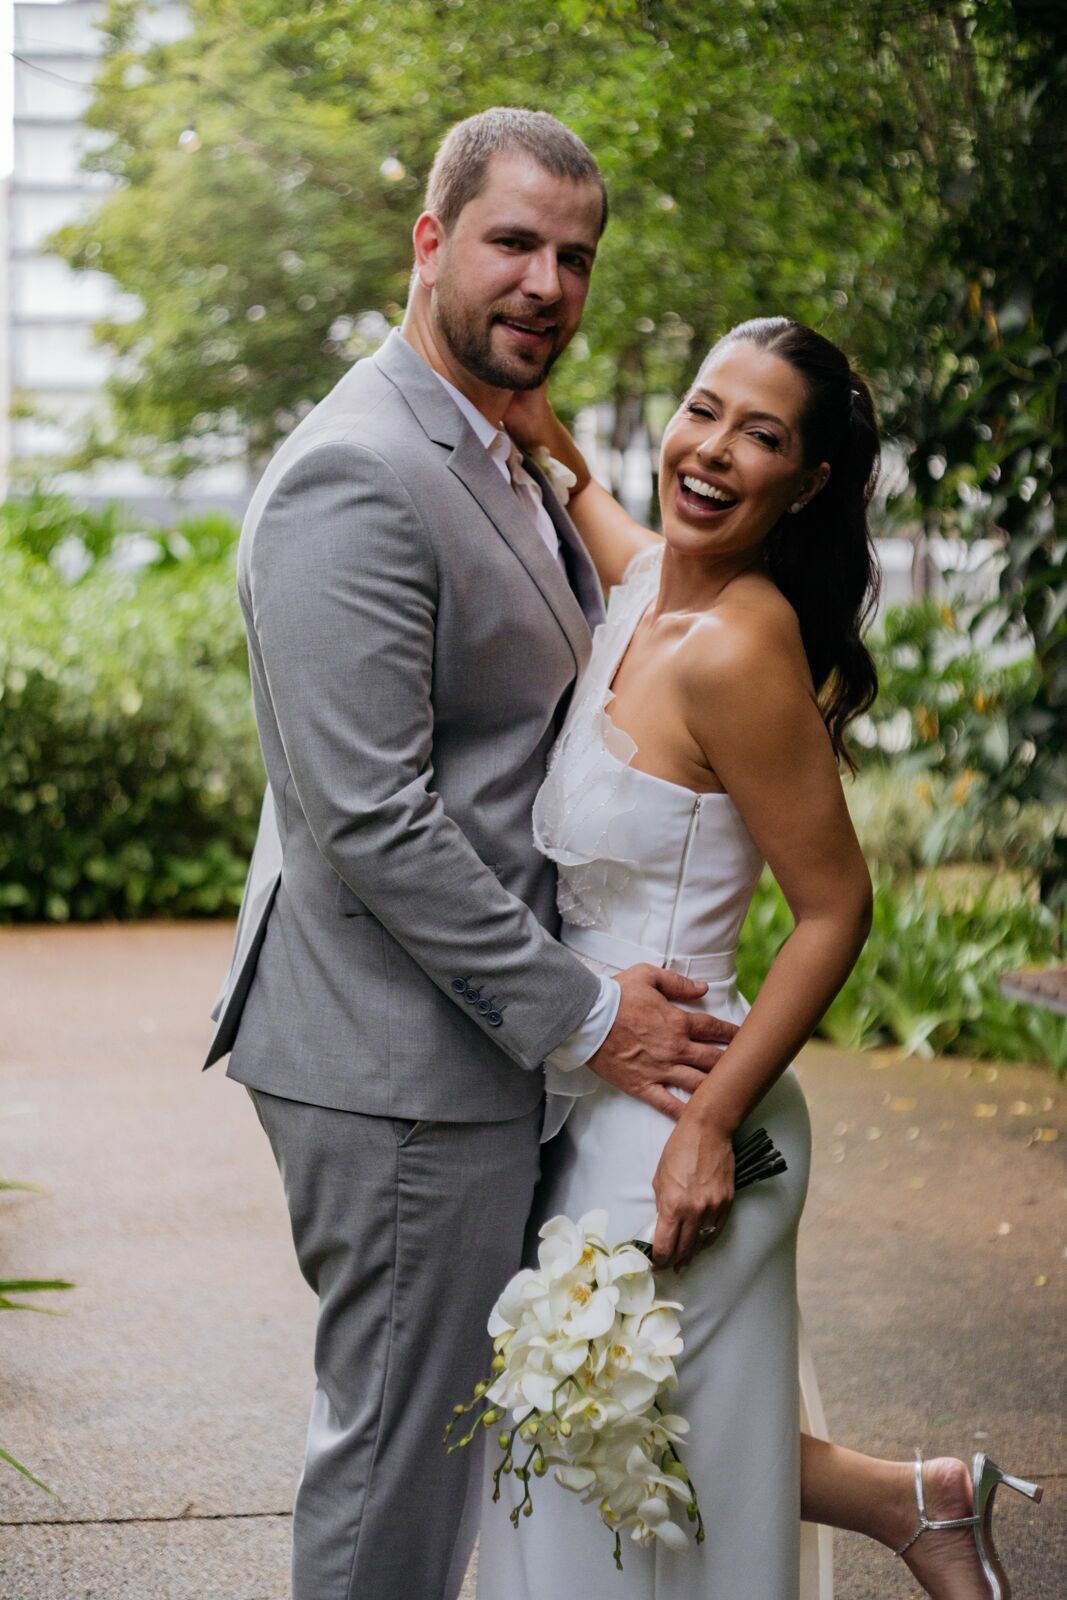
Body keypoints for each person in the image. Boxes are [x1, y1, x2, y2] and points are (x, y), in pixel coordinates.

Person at [202, 109, 736, 1600]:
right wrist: (585, 1011)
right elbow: (367, 819)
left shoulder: (493, 441)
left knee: (456, 1451)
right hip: (392, 1067)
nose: (547, 282)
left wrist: (565, 467)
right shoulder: (352, 476)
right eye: (512, 241)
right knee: (398, 1470)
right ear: (429, 243)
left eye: (573, 255)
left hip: (467, 1045)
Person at [476, 316, 1042, 1599]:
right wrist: (550, 442)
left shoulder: (737, 643)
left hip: (685, 1111)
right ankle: (923, 1502)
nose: (712, 450)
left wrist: (706, 1128)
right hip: (592, 1090)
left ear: (808, 481)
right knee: (623, 1457)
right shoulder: (641, 598)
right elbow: (614, 530)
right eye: (701, 410)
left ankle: (922, 1505)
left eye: (761, 435)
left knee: (605, 1477)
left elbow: (838, 908)